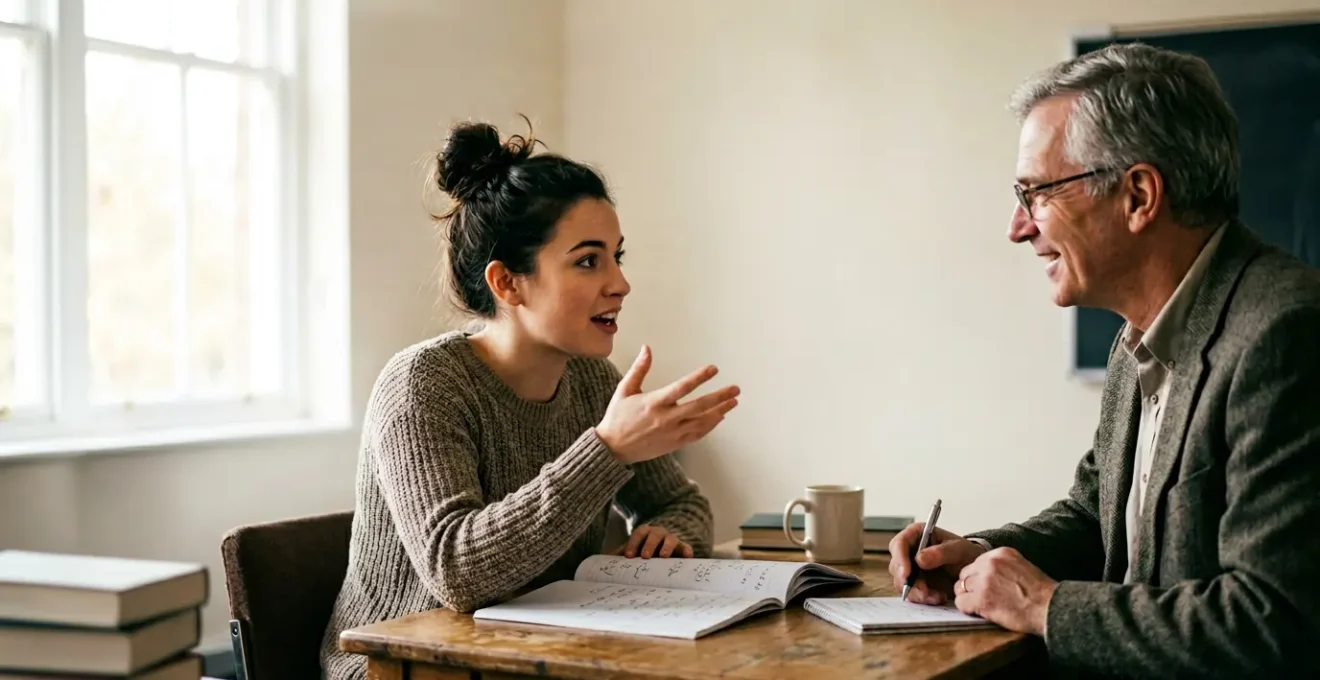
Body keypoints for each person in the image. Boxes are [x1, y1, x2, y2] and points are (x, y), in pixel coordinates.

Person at [890, 43, 1320, 678]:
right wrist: (979, 555)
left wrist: (1043, 606)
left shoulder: (1286, 335)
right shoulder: (1139, 334)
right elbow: (1099, 519)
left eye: (1037, 193)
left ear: (1139, 196)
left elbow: (1271, 623)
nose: (1018, 227)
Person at [320, 120, 736, 680]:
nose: (620, 283)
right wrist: (607, 449)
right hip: (399, 667)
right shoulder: (422, 384)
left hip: (533, 657)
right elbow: (457, 571)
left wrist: (670, 537)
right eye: (588, 261)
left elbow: (681, 504)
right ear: (508, 283)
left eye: (617, 256)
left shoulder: (592, 381)